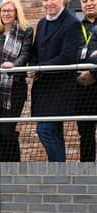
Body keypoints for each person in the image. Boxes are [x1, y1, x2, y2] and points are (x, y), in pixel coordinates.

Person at [0, 0, 33, 162]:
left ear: (16, 13)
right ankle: (2, 168)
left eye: (10, 10)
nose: (6, 13)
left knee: (7, 130)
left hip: (14, 88)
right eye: (3, 10)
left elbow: (25, 54)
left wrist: (14, 65)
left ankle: (14, 168)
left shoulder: (25, 31)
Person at [30, 0, 82, 162]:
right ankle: (60, 172)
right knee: (52, 132)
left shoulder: (72, 23)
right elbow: (35, 51)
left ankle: (58, 168)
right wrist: (32, 66)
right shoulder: (41, 23)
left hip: (60, 87)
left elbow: (68, 56)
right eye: (45, 0)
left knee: (45, 130)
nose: (49, 3)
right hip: (43, 87)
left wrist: (39, 68)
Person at [74, 0, 97, 161]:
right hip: (82, 88)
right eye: (84, 0)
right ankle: (86, 173)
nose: (88, 3)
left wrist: (93, 71)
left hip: (94, 79)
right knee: (86, 133)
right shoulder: (74, 27)